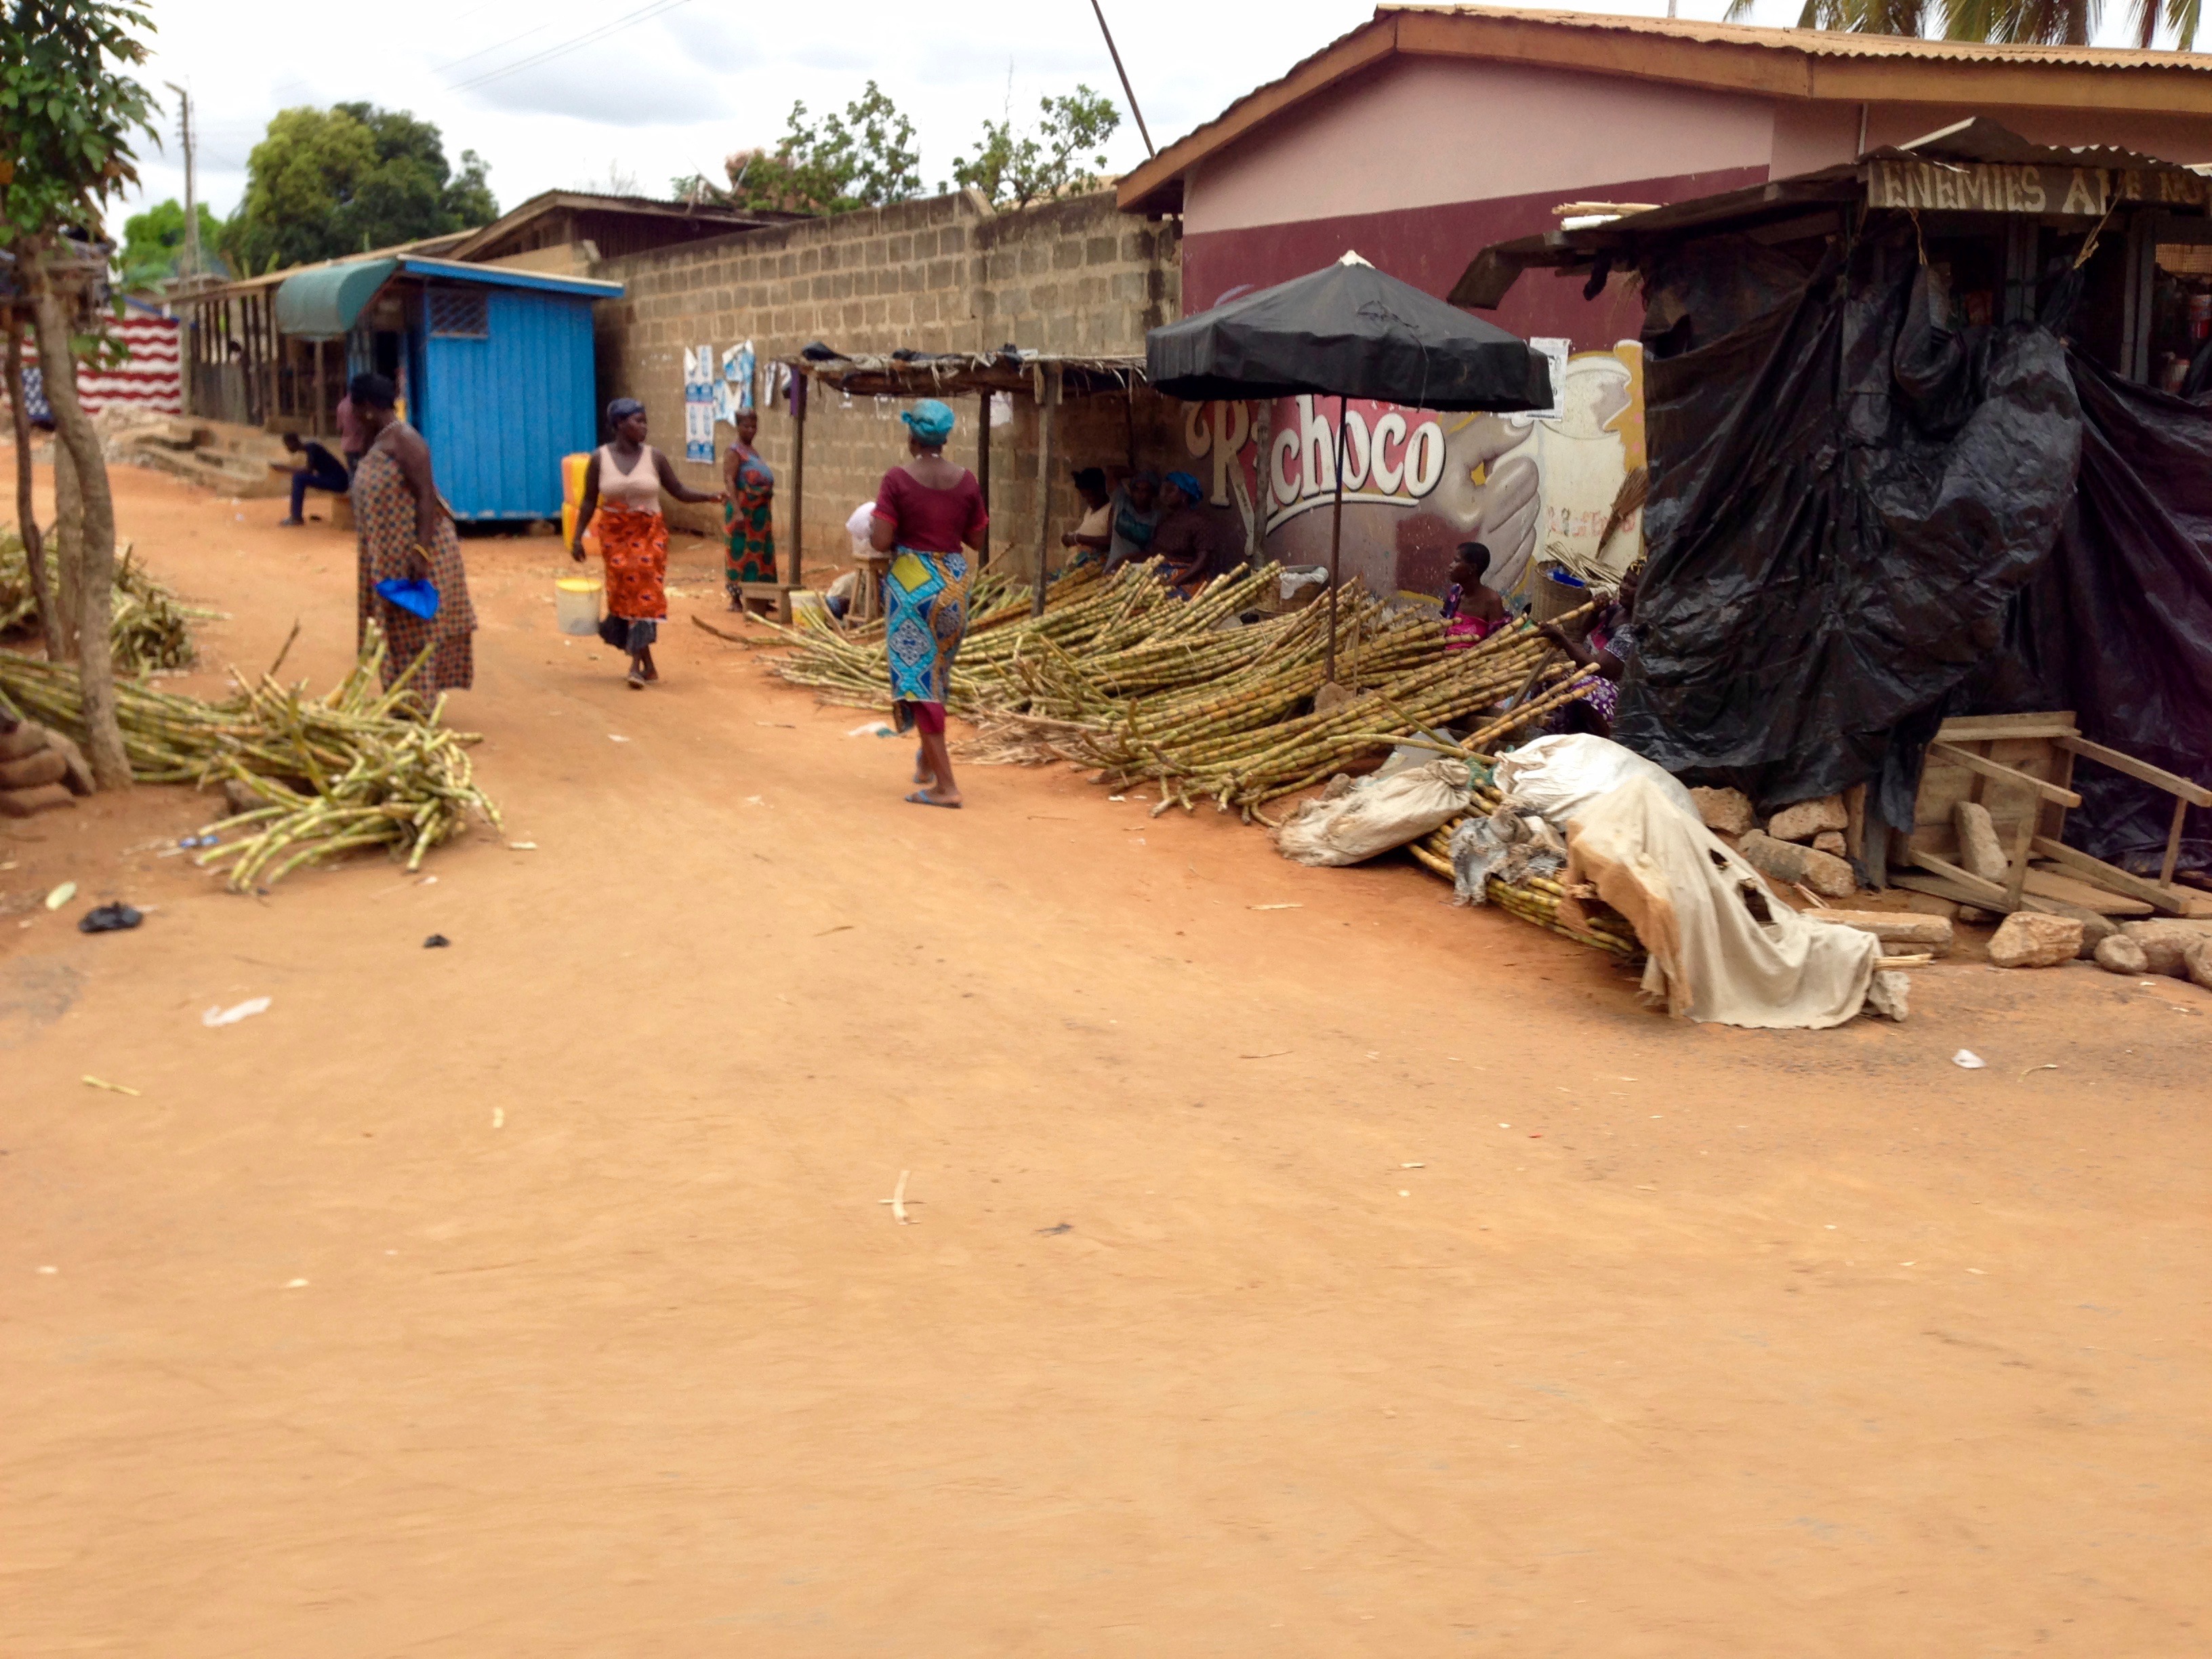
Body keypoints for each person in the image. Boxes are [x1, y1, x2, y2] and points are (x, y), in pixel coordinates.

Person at [869, 398, 987, 808]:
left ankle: (946, 787)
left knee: (920, 686)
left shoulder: (897, 480)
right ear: (945, 437)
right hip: (954, 586)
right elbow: (976, 540)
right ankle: (926, 761)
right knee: (936, 675)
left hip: (913, 589)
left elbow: (882, 541)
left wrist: (877, 526)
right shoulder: (967, 480)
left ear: (911, 437)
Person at [571, 397, 726, 689]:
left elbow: (678, 490)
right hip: (615, 535)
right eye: (638, 421)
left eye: (645, 421)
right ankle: (649, 665)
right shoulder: (599, 459)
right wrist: (577, 537)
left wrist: (710, 496)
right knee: (625, 593)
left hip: (649, 533)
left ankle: (634, 665)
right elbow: (590, 500)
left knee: (643, 585)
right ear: (619, 424)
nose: (644, 427)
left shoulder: (654, 458)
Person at [348, 372, 478, 696]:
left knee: (415, 626)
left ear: (365, 407)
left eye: (353, 407)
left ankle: (418, 700)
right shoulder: (377, 439)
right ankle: (401, 696)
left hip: (419, 549)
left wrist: (420, 552)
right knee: (393, 624)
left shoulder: (406, 439)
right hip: (386, 553)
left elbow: (425, 495)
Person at [1539, 564, 1641, 736]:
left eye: (1633, 585)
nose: (1623, 587)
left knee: (1587, 688)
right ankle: (1562, 729)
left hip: (1615, 696)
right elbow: (1583, 635)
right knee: (1546, 673)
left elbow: (1597, 667)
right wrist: (1594, 612)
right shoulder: (1616, 609)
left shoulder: (1635, 629)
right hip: (1584, 674)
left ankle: (1604, 739)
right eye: (1624, 580)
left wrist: (1561, 638)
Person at [721, 408, 777, 605]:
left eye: (754, 426)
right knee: (741, 551)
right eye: (746, 426)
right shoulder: (734, 451)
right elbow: (729, 480)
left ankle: (762, 595)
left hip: (759, 514)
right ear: (738, 427)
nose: (751, 430)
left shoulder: (752, 451)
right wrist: (737, 511)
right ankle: (736, 598)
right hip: (743, 510)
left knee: (761, 553)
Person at [1147, 471, 1230, 594]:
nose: (1165, 495)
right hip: (1160, 576)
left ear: (1184, 495)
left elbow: (1203, 561)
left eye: (1170, 490)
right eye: (1164, 490)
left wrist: (1175, 582)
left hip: (1186, 580)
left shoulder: (1200, 523)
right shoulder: (1165, 520)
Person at [1442, 541, 1511, 649]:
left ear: (1472, 568)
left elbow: (1495, 644)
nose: (1451, 566)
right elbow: (1444, 628)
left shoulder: (1492, 601)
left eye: (1456, 561)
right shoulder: (1455, 593)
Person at [278, 431, 350, 527]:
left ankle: (296, 517)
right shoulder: (310, 449)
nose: (287, 448)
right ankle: (296, 516)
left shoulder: (312, 447)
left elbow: (309, 471)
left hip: (338, 483)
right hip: (335, 480)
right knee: (299, 478)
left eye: (287, 445)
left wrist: (285, 469)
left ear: (293, 442)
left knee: (298, 479)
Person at [1104, 470, 1162, 570]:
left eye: (1145, 491)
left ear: (1153, 494)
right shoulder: (1121, 502)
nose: (1140, 494)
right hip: (1112, 567)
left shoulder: (1156, 518)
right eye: (1137, 489)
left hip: (1136, 571)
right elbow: (1111, 472)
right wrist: (1136, 474)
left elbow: (1154, 551)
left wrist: (1127, 559)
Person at [1060, 467, 1113, 571]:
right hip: (1079, 565)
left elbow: (1110, 542)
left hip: (1095, 566)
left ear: (1102, 490)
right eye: (1086, 496)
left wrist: (1078, 538)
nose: (1089, 499)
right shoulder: (1090, 510)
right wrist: (1069, 538)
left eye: (1092, 495)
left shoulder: (1111, 510)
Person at [335, 391, 366, 476]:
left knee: (352, 471)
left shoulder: (341, 405)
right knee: (363, 472)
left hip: (347, 445)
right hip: (361, 444)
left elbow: (340, 427)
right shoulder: (361, 405)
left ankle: (353, 487)